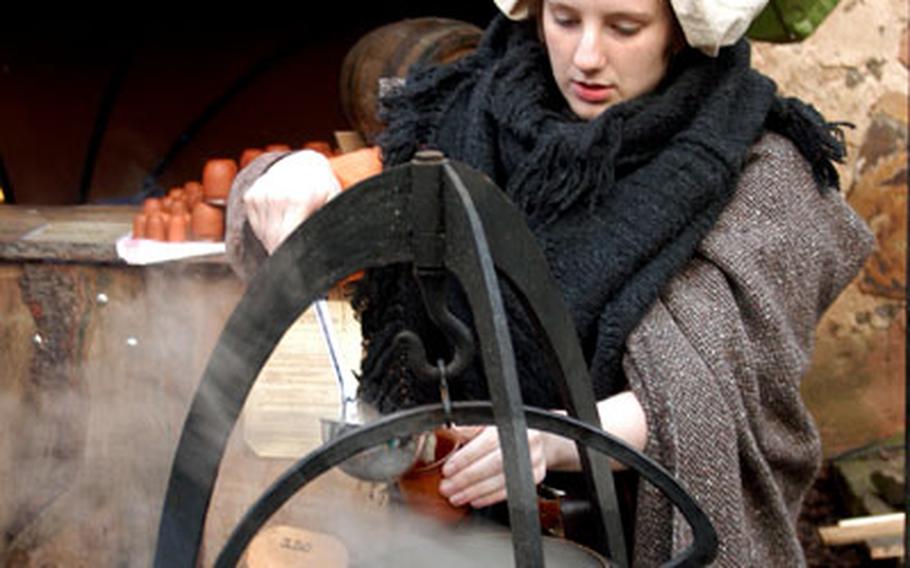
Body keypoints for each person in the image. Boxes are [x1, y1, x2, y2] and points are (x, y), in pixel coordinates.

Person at [225, 0, 874, 564]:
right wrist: (299, 178)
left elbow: (717, 380)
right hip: (450, 534)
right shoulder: (469, 114)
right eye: (565, 19)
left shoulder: (761, 173)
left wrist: (556, 436)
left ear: (680, 29)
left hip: (634, 532)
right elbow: (363, 192)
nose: (586, 56)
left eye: (625, 26)